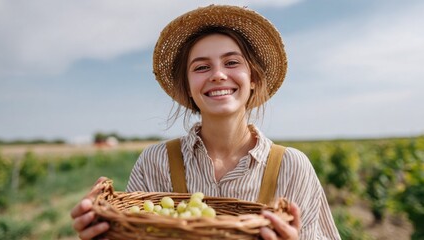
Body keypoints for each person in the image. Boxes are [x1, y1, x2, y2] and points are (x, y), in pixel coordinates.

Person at [70, 5, 341, 240]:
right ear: (188, 87)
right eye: (201, 67)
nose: (218, 75)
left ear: (253, 78)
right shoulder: (156, 162)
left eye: (232, 62)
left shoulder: (292, 168)